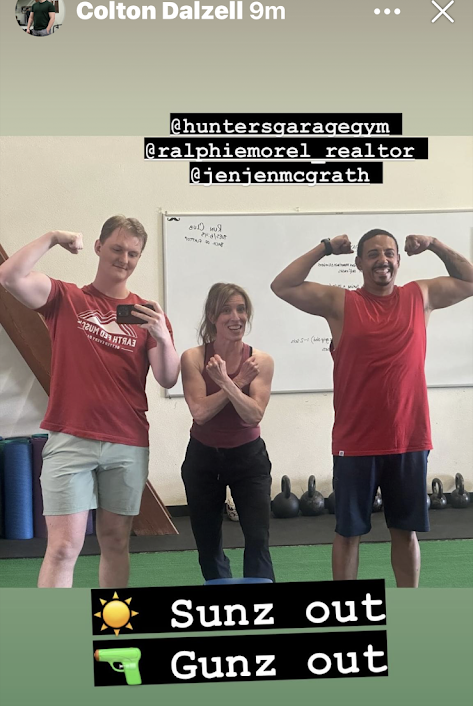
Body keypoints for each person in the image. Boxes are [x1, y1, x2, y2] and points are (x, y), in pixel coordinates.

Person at [271, 230, 473, 586]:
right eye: (374, 253)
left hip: (408, 439)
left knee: (405, 531)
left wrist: (434, 245)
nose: (383, 260)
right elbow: (283, 286)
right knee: (349, 533)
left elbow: (470, 280)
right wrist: (325, 248)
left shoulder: (420, 296)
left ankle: (410, 608)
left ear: (399, 260)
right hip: (356, 442)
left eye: (390, 253)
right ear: (359, 263)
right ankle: (347, 610)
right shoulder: (340, 303)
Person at [0, 216, 180, 588]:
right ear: (98, 247)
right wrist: (53, 237)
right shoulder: (66, 299)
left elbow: (167, 377)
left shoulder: (147, 314)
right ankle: (53, 628)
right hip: (70, 439)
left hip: (127, 442)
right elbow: (9, 277)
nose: (124, 259)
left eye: (133, 254)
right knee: (63, 547)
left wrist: (162, 336)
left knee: (115, 543)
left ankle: (113, 623)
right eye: (117, 249)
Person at [180, 283, 275, 582]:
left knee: (258, 539)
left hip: (249, 458)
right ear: (212, 316)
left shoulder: (260, 361)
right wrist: (235, 382)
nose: (236, 317)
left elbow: (253, 415)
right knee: (208, 543)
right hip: (203, 458)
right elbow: (200, 413)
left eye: (241, 309)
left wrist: (228, 381)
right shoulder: (194, 358)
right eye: (226, 310)